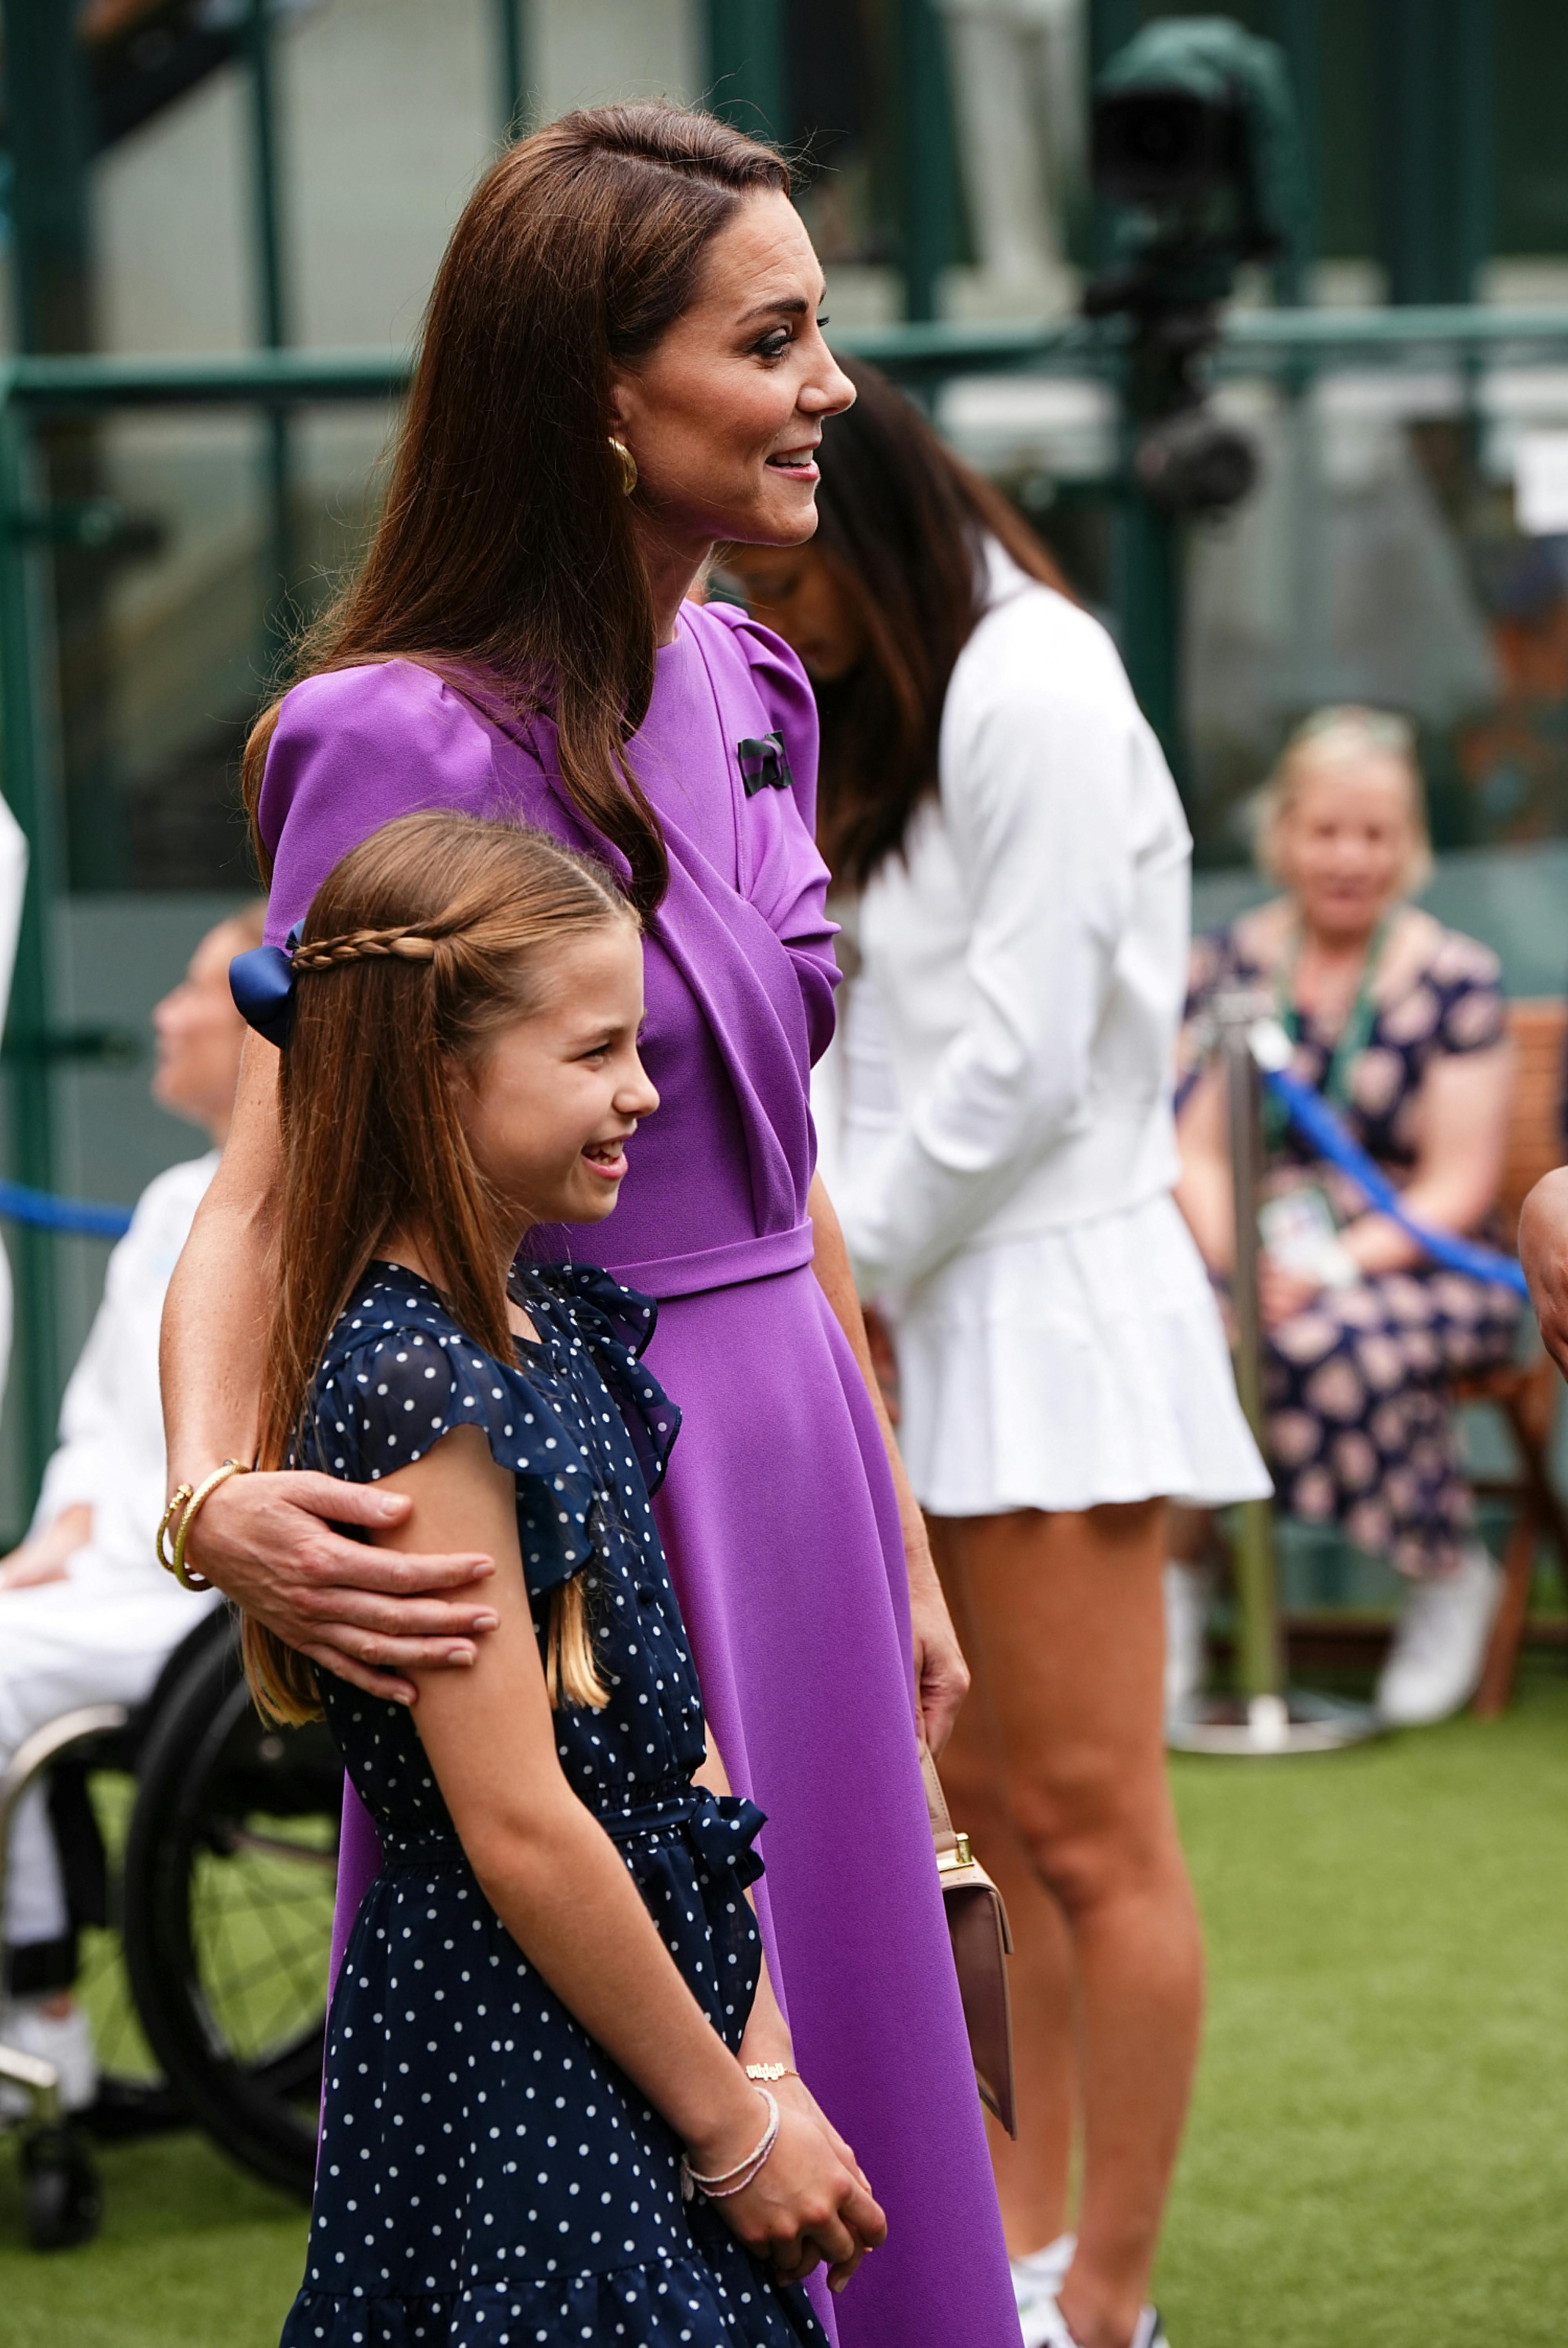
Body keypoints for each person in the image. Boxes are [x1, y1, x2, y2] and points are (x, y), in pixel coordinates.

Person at [159, 105, 1017, 2348]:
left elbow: (782, 1145)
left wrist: (898, 1525)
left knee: (866, 2100)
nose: (835, 385)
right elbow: (272, 1173)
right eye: (777, 336)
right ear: (596, 392)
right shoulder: (388, 736)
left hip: (800, 1484)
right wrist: (209, 1493)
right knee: (609, 2164)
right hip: (559, 1510)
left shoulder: (762, 685)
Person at [722, 360, 1267, 2348]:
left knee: (1089, 1827)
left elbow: (1028, 1062)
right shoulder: (905, 698)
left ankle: (1108, 2293)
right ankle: (1021, 2256)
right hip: (910, 1311)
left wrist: (831, 1283)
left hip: (1041, 1315)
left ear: (859, 514)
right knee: (974, 1829)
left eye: (792, 573)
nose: (774, 619)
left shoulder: (1034, 680)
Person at [236, 810, 885, 2348]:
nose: (645, 1096)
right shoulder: (418, 1388)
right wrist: (729, 2124)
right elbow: (521, 1825)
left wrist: (766, 2061)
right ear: (440, 1075)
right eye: (594, 1054)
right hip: (524, 2035)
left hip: (668, 2003)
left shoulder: (562, 1327)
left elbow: (673, 1746)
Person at [1176, 707, 1519, 1726]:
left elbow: (1455, 1185)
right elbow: (1187, 1148)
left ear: (1407, 843)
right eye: (1328, 830)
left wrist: (1326, 1269)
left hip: (1415, 1260)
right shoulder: (1225, 967)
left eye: (1375, 834)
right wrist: (1246, 1263)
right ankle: (1178, 1584)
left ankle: (1442, 1567)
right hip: (1246, 1253)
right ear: (1284, 833)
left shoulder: (1456, 978)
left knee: (1330, 1339)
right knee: (1178, 1334)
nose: (1349, 856)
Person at [0, 901, 263, 2111]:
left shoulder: (306, 1207)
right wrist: (58, 1531)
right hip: (116, 1566)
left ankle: (36, 2019)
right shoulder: (170, 1203)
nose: (163, 1013)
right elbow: (102, 1420)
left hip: (206, 1601)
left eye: (194, 988)